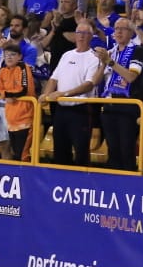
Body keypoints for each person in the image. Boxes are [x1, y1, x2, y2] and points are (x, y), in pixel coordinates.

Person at [40, 19, 100, 166]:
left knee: (81, 151)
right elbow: (53, 79)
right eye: (79, 32)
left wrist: (64, 94)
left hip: (80, 110)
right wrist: (46, 95)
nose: (81, 36)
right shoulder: (66, 55)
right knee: (60, 149)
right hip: (61, 110)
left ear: (91, 36)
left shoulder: (93, 57)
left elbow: (88, 85)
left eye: (85, 33)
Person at [96, 18, 142, 172]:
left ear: (131, 33)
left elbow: (131, 77)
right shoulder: (110, 52)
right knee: (113, 151)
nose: (119, 32)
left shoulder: (137, 50)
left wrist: (109, 62)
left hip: (127, 106)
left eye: (123, 29)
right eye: (116, 29)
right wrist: (103, 62)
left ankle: (129, 186)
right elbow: (96, 80)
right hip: (108, 106)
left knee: (126, 150)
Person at [0, 41, 38, 162]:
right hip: (10, 120)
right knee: (14, 154)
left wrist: (8, 94)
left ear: (19, 56)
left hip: (25, 119)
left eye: (12, 54)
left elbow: (23, 89)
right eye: (6, 54)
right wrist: (6, 94)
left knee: (23, 155)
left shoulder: (24, 67)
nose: (9, 57)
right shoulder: (2, 70)